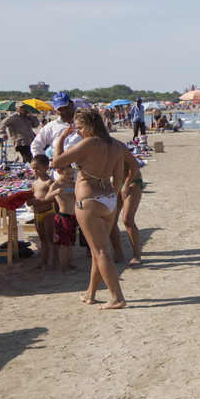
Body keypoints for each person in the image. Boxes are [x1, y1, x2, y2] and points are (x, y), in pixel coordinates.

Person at [51, 109, 127, 307]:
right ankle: (90, 293)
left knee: (101, 252)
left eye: (81, 128)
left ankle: (117, 297)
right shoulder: (116, 145)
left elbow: (57, 163)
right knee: (97, 251)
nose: (78, 132)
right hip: (109, 199)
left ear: (91, 125)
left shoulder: (90, 143)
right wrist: (112, 197)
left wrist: (60, 138)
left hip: (89, 202)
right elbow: (118, 177)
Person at [28, 154, 57, 270]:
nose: (35, 171)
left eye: (37, 168)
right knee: (42, 239)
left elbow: (54, 198)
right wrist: (30, 202)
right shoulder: (34, 183)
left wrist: (39, 201)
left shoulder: (49, 182)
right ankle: (44, 260)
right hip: (37, 213)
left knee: (51, 239)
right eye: (33, 168)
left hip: (48, 212)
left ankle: (55, 261)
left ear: (46, 167)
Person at [32, 93, 81, 159]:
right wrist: (44, 163)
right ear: (56, 110)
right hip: (60, 165)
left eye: (66, 108)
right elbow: (36, 145)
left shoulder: (85, 122)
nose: (64, 111)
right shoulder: (51, 127)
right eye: (60, 109)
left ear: (72, 104)